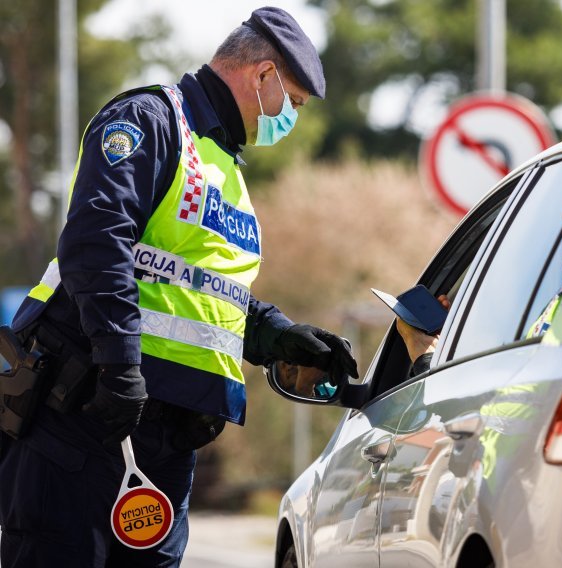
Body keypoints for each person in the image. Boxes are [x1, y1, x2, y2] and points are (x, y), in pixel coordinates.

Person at [0, 7, 357, 567]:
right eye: (294, 101)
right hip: (86, 417)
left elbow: (199, 288)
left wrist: (277, 336)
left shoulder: (224, 165)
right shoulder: (151, 122)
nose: (292, 119)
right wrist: (121, 370)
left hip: (167, 439)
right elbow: (96, 246)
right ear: (262, 76)